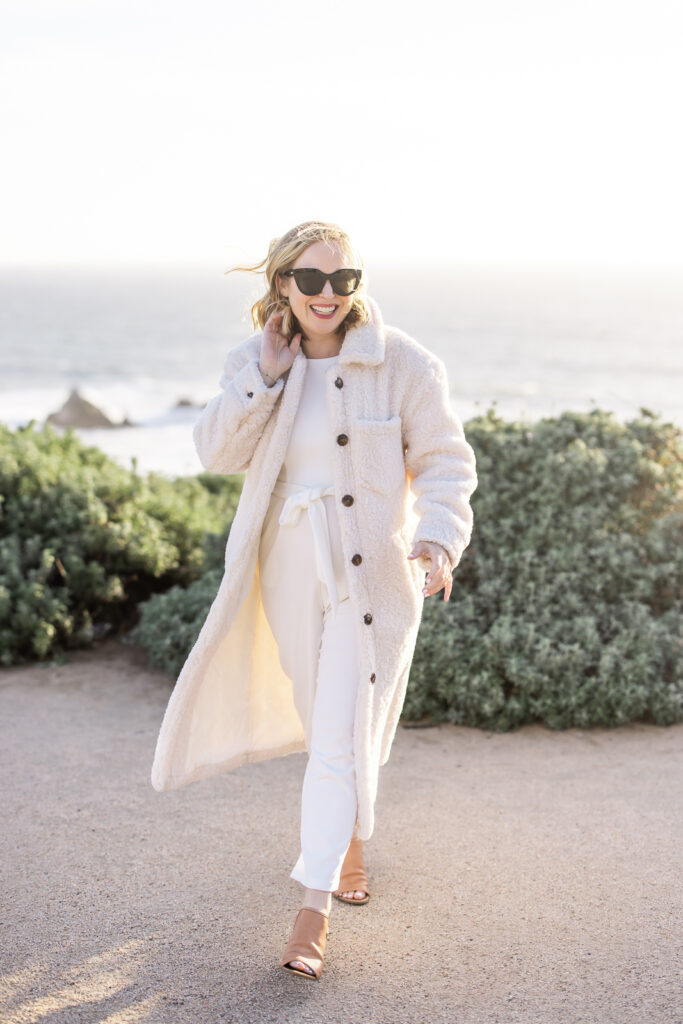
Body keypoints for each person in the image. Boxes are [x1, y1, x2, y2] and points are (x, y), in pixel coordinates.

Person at [150, 220, 477, 980]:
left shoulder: (403, 365)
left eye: (344, 280)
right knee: (317, 712)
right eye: (311, 280)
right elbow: (216, 453)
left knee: (337, 731)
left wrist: (436, 538)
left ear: (358, 285)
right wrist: (263, 375)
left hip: (372, 574)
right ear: (282, 285)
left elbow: (443, 463)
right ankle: (352, 839)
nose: (328, 295)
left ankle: (311, 910)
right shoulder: (258, 360)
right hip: (286, 567)